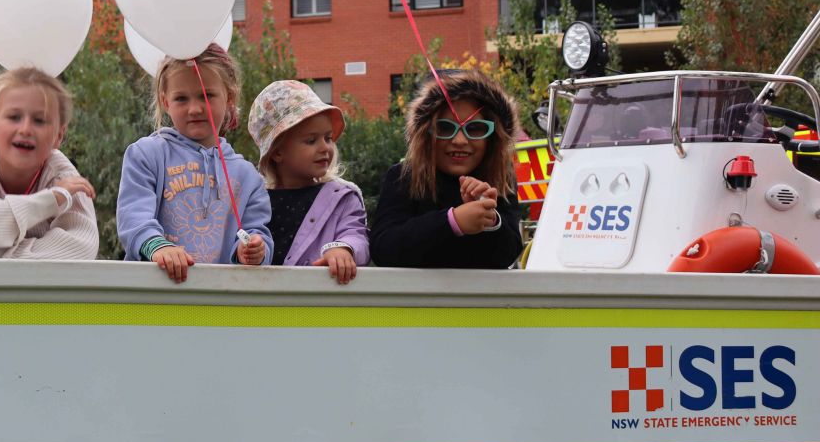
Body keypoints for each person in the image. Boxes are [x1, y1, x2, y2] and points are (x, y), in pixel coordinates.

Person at [116, 44, 272, 282]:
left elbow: (256, 231)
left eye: (207, 95)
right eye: (181, 98)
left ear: (229, 97)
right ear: (165, 101)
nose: (195, 108)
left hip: (216, 302)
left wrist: (252, 251)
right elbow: (133, 217)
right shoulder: (146, 155)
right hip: (152, 296)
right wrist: (159, 248)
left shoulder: (247, 176)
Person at [370, 70, 523, 269]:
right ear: (425, 135)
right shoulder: (403, 177)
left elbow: (507, 254)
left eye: (476, 128)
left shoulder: (501, 179)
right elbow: (383, 249)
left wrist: (491, 220)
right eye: (445, 128)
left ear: (493, 138)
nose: (460, 140)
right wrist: (452, 222)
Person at [0, 67, 98, 259]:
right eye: (14, 117)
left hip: (33, 287)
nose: (25, 129)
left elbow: (80, 248)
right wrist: (51, 200)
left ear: (59, 136)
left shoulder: (67, 180)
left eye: (39, 120)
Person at [247, 80, 368, 284]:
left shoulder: (342, 198)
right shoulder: (254, 199)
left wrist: (343, 247)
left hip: (317, 307)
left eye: (328, 138)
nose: (325, 148)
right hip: (262, 307)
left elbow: (356, 233)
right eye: (311, 141)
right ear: (277, 152)